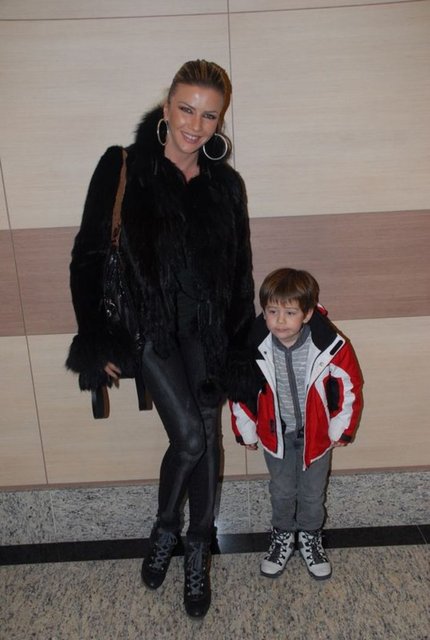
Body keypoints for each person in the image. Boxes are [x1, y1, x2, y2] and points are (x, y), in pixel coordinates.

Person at [66, 60, 255, 618]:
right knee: (191, 438)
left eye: (209, 115)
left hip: (206, 331)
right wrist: (95, 337)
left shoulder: (226, 185)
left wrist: (239, 348)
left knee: (207, 436)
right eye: (186, 109)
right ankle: (167, 527)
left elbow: (240, 273)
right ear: (167, 105)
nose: (195, 125)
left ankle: (197, 550)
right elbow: (88, 256)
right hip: (149, 329)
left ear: (220, 120)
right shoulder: (123, 166)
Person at [229, 268, 363, 581]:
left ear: (307, 313)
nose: (280, 320)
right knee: (281, 491)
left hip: (316, 437)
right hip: (276, 435)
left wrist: (341, 427)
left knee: (313, 493)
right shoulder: (253, 346)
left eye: (290, 313)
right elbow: (240, 389)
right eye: (272, 311)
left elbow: (349, 385)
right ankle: (282, 536)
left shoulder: (329, 345)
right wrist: (246, 429)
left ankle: (311, 537)